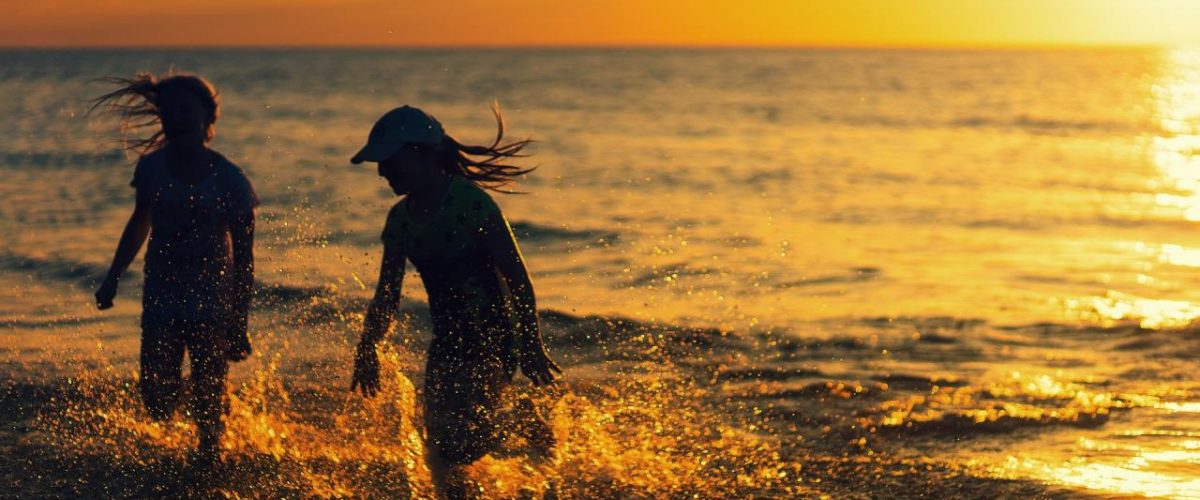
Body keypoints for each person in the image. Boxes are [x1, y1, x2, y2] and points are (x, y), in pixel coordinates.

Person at [347, 105, 562, 496]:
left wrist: (531, 342)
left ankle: (521, 421)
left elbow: (517, 277)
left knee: (464, 442)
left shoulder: (470, 204)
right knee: (440, 444)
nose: (381, 172)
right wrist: (368, 349)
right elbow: (387, 296)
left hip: (494, 334)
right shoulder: (399, 221)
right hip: (447, 340)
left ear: (420, 153)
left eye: (389, 161)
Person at [91, 72, 258, 466]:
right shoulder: (151, 170)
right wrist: (113, 277)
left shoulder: (231, 180)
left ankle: (210, 455)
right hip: (163, 292)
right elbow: (139, 223)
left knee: (207, 386)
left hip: (211, 295)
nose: (178, 118)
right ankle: (201, 416)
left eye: (186, 110)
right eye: (169, 112)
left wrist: (239, 322)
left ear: (208, 116)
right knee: (156, 399)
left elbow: (246, 260)